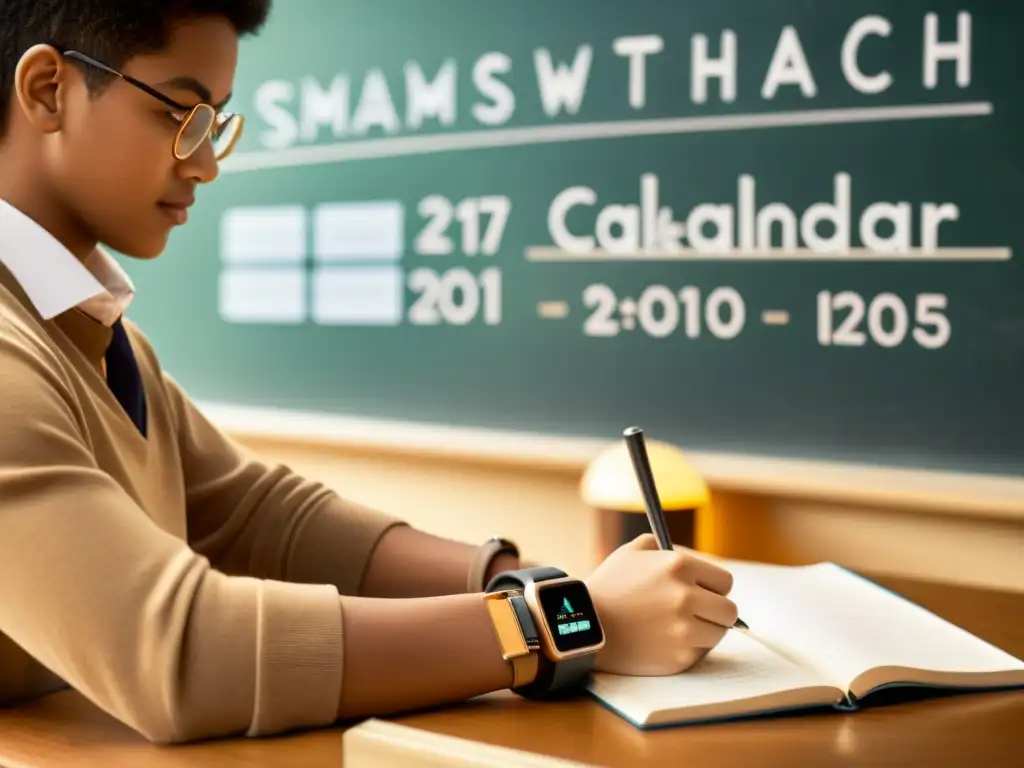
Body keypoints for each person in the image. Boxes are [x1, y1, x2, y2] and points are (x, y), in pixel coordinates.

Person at [0, 0, 739, 745]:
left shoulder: (85, 325)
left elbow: (258, 519)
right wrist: (572, 622)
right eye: (181, 115)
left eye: (215, 123)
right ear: (46, 91)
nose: (206, 162)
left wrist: (534, 581)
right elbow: (179, 654)